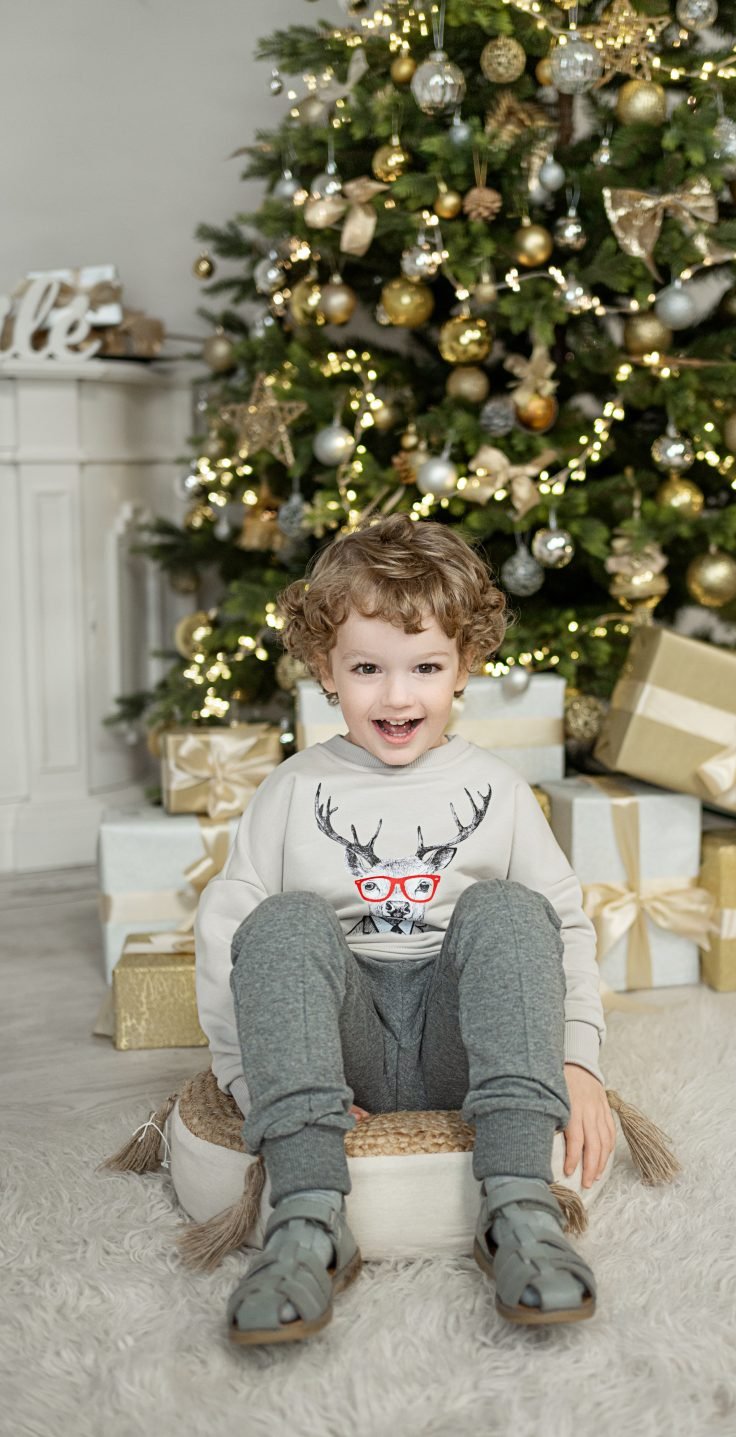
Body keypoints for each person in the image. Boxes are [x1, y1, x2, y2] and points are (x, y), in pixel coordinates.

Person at [194, 512, 615, 1345]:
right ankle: (307, 1219)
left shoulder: (495, 787)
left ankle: (519, 1209)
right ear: (325, 667)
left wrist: (577, 1057)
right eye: (367, 668)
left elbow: (561, 924)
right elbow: (228, 943)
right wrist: (254, 1084)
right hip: (339, 1043)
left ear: (466, 667)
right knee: (279, 922)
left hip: (468, 1037)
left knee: (512, 908)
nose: (397, 695)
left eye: (425, 665)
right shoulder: (288, 790)